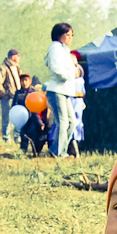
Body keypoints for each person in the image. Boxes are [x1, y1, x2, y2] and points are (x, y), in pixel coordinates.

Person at [44, 23, 76, 158]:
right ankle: (59, 153)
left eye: (72, 35)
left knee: (72, 122)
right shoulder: (55, 48)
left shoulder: (64, 49)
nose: (70, 38)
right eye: (67, 35)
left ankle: (57, 149)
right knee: (63, 122)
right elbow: (55, 67)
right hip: (57, 89)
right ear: (58, 35)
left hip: (66, 90)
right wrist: (68, 76)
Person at [12, 74, 48, 155]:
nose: (24, 82)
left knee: (33, 135)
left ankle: (35, 152)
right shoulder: (18, 93)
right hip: (22, 119)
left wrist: (40, 122)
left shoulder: (33, 92)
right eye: (22, 81)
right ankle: (23, 151)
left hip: (32, 118)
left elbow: (36, 109)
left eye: (26, 80)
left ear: (30, 81)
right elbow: (14, 105)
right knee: (23, 135)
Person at [0, 49, 22, 142]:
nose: (19, 58)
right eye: (18, 56)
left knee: (18, 117)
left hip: (18, 97)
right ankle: (6, 138)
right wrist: (5, 93)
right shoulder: (3, 68)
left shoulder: (17, 67)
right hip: (8, 98)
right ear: (13, 57)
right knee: (7, 118)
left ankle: (17, 136)